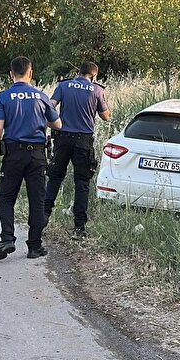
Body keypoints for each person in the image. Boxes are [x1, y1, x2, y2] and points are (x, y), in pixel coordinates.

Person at [0, 56, 61, 260]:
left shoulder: (4, 97)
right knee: (37, 199)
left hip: (13, 153)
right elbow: (58, 124)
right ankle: (35, 246)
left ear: (11, 74)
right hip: (37, 154)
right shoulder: (41, 96)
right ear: (31, 73)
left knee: (6, 197)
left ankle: (7, 239)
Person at [43, 61, 110, 238]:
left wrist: (52, 123)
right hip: (83, 141)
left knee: (55, 177)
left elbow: (50, 105)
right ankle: (79, 227)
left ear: (78, 72)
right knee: (82, 182)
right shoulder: (97, 90)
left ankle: (42, 218)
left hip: (62, 138)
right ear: (94, 75)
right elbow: (106, 116)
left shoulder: (63, 85)